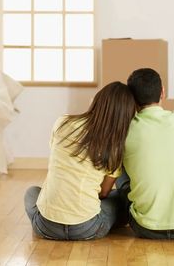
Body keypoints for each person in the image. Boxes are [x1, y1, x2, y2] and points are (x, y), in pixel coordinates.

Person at [24, 81, 136, 240]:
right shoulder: (115, 147)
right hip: (88, 228)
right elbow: (103, 193)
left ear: (96, 101)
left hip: (46, 226)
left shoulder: (62, 122)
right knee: (121, 199)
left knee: (31, 192)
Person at [116, 68, 174, 239]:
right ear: (163, 92)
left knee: (119, 162)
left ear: (131, 98)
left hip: (145, 227)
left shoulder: (124, 131)